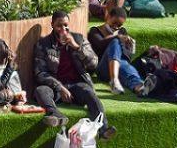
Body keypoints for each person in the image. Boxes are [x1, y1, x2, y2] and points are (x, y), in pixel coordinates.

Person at [33, 11, 117, 140]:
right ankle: (56, 115)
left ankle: (103, 129)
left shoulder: (78, 39)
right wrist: (60, 87)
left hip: (77, 85)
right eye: (59, 26)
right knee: (40, 90)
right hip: (55, 88)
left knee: (90, 93)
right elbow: (40, 73)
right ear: (52, 25)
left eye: (66, 25)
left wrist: (77, 47)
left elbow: (93, 64)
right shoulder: (43, 44)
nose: (63, 29)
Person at [88, 7, 151, 95]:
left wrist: (129, 48)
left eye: (119, 25)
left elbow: (126, 58)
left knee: (126, 68)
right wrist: (117, 37)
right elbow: (100, 44)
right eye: (114, 23)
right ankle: (114, 80)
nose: (115, 27)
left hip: (120, 65)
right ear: (108, 17)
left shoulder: (122, 31)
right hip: (103, 70)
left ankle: (139, 87)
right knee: (115, 42)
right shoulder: (94, 31)